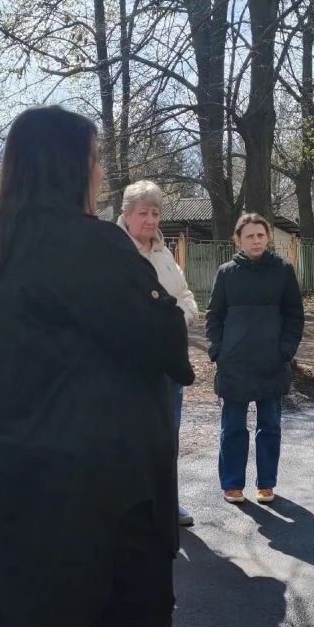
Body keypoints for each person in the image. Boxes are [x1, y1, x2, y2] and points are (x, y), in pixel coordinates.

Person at [0, 106, 226, 627]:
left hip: (22, 480)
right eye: (96, 157)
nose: (102, 170)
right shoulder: (91, 245)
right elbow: (163, 340)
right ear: (71, 164)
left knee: (50, 625)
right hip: (108, 480)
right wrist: (161, 303)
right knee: (134, 626)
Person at [206, 212, 305, 505]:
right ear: (238, 240)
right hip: (234, 364)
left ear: (267, 238)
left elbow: (294, 316)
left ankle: (266, 484)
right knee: (233, 428)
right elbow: (214, 316)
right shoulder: (226, 273)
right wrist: (216, 351)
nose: (256, 240)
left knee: (270, 427)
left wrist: (285, 351)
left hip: (271, 363)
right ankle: (232, 485)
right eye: (249, 235)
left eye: (261, 235)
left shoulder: (283, 270)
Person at [118, 180, 199, 527]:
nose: (150, 220)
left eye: (155, 213)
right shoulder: (113, 252)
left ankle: (168, 500)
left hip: (169, 364)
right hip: (130, 368)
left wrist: (178, 318)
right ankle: (133, 506)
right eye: (143, 213)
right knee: (132, 437)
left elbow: (186, 296)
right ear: (126, 214)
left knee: (168, 436)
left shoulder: (165, 254)